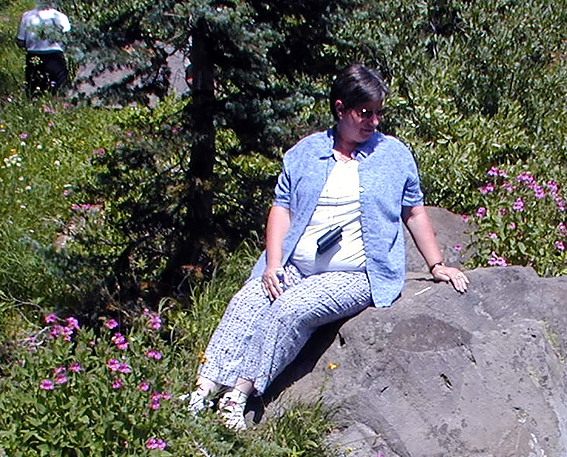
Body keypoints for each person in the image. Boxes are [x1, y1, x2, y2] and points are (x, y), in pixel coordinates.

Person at [188, 63, 469, 430]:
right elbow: (282, 208)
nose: (374, 122)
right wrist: (273, 264)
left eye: (378, 113)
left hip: (355, 274)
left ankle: (236, 396)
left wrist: (436, 265)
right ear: (340, 109)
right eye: (365, 112)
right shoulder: (305, 153)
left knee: (290, 309)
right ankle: (202, 392)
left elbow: (413, 211)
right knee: (248, 301)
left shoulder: (393, 155)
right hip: (296, 265)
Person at [15, 3, 71, 96]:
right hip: (55, 57)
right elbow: (68, 40)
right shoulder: (60, 17)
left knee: (34, 91)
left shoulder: (27, 16)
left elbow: (20, 41)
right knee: (60, 90)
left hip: (33, 55)